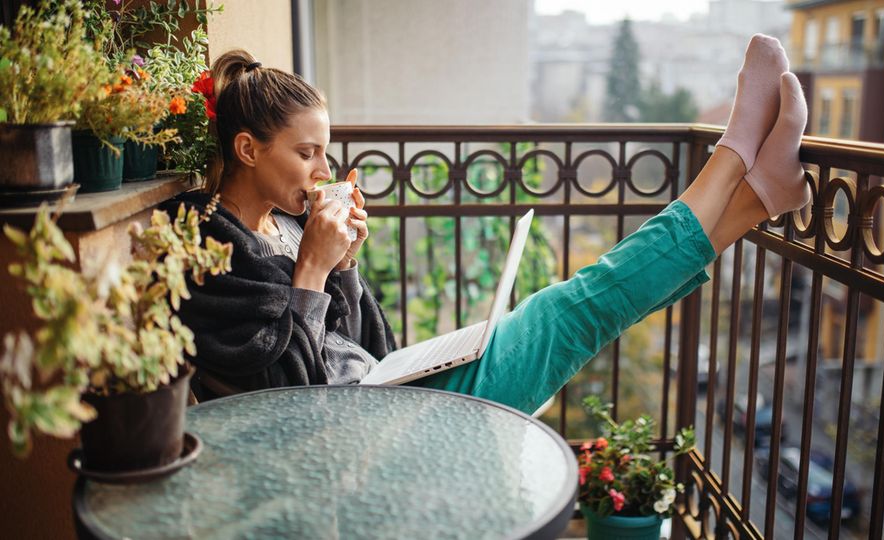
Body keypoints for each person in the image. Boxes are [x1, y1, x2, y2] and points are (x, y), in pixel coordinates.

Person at [170, 35, 809, 414]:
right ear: (250, 150)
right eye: (306, 153)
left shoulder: (281, 226)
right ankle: (731, 158)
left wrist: (343, 267)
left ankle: (755, 197)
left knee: (584, 309)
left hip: (391, 393)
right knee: (576, 308)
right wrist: (314, 267)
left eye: (324, 151)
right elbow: (290, 398)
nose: (322, 170)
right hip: (376, 428)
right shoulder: (210, 247)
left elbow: (365, 345)